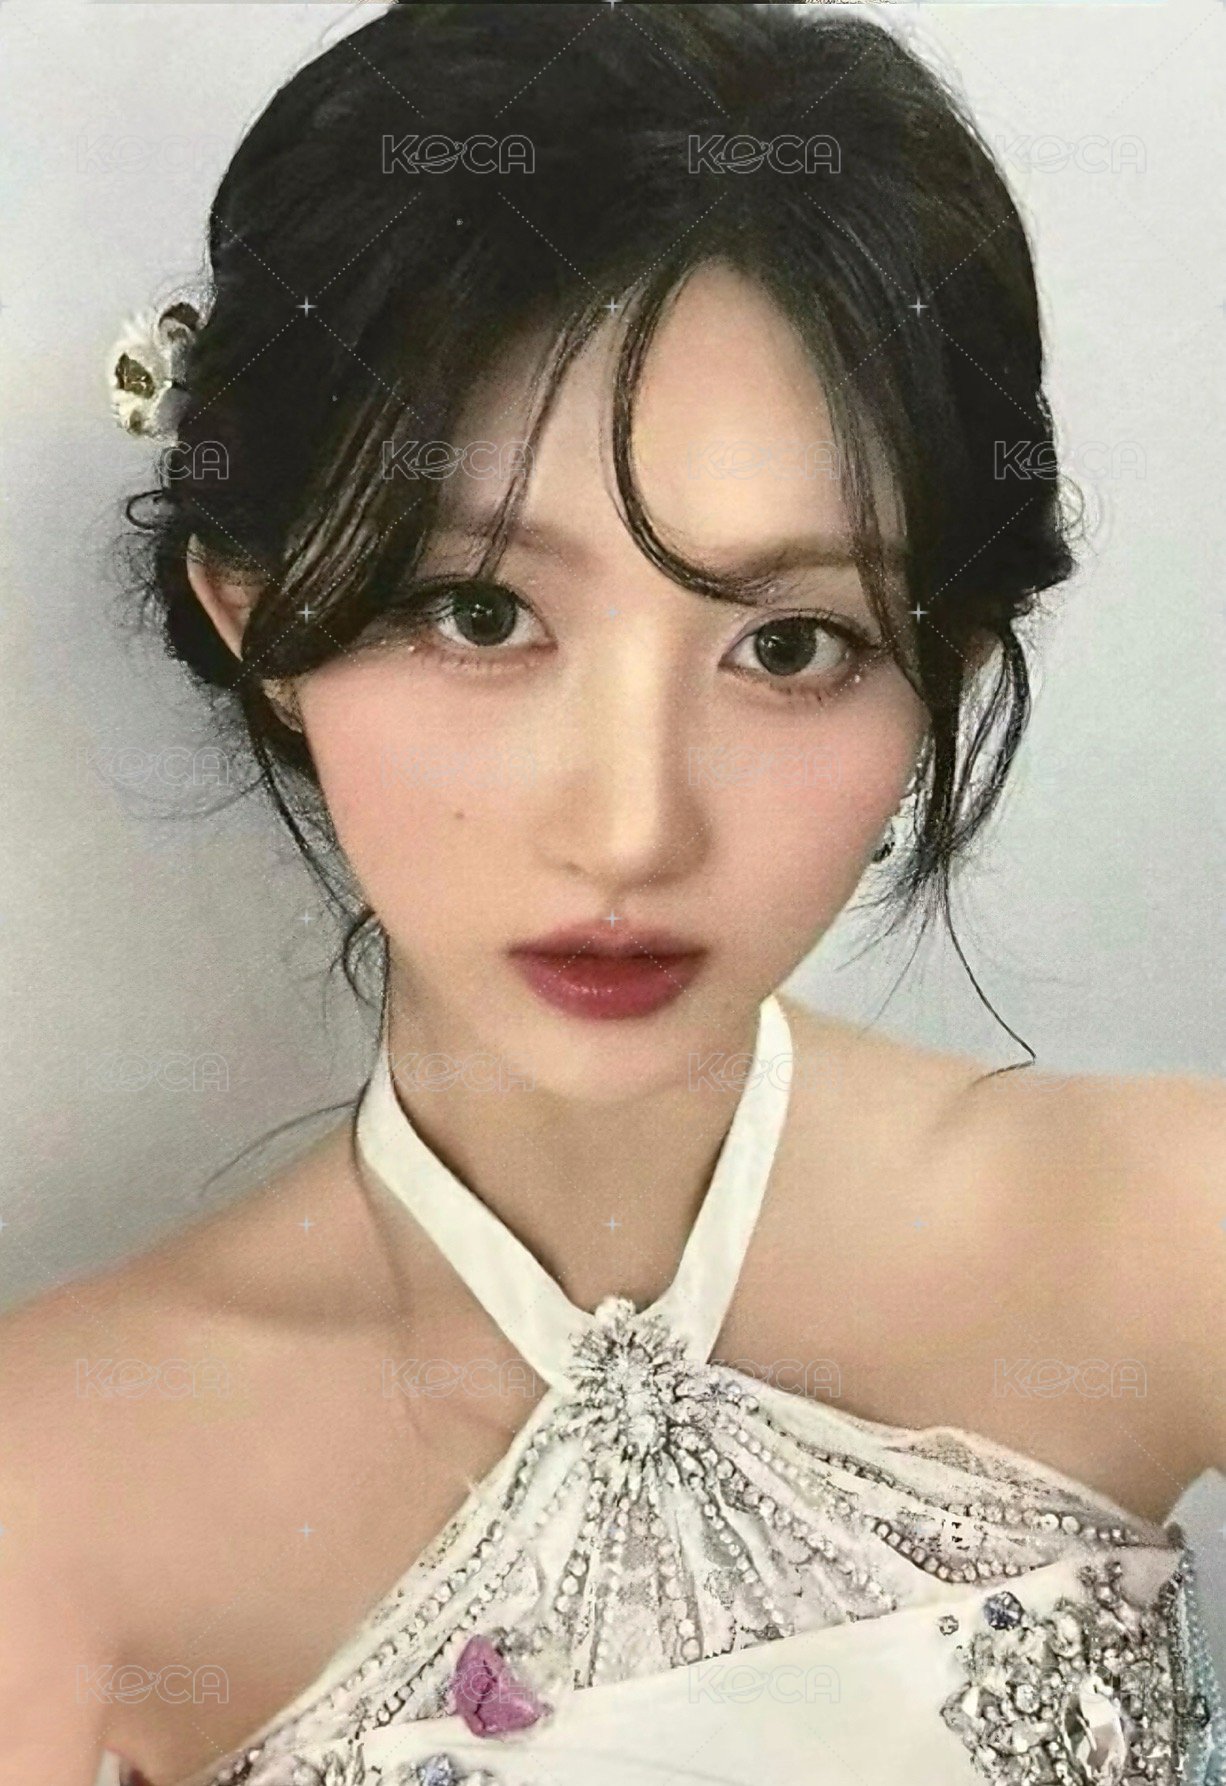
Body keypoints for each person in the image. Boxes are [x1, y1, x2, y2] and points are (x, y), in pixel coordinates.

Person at [2, 5, 1222, 1784]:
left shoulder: (1163, 1231)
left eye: (788, 644)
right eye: (481, 613)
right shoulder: (49, 1488)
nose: (632, 829)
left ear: (938, 669)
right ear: (257, 621)